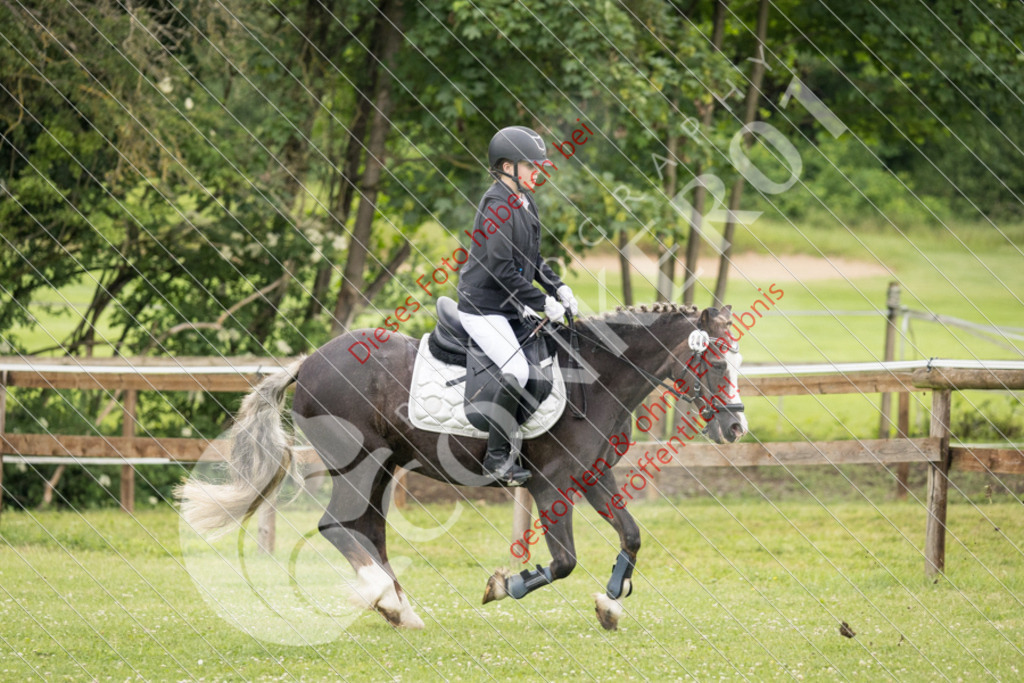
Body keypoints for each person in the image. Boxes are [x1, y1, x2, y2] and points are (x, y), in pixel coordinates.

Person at [456, 126, 580, 486]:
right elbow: (502, 269)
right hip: (483, 307)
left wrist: (558, 287)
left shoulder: (523, 200)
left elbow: (532, 259)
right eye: (530, 165)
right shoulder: (497, 206)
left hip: (508, 305)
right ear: (507, 167)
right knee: (518, 371)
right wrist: (542, 302)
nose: (537, 171)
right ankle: (496, 459)